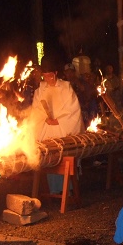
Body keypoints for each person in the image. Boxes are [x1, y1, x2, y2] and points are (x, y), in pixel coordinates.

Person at [32, 59, 84, 193]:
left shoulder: (66, 88)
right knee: (50, 157)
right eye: (45, 75)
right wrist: (45, 119)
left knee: (65, 156)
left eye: (51, 75)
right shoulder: (40, 91)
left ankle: (69, 188)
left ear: (56, 73)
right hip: (47, 130)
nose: (48, 78)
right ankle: (54, 190)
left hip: (64, 129)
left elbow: (73, 110)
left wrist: (59, 120)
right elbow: (36, 111)